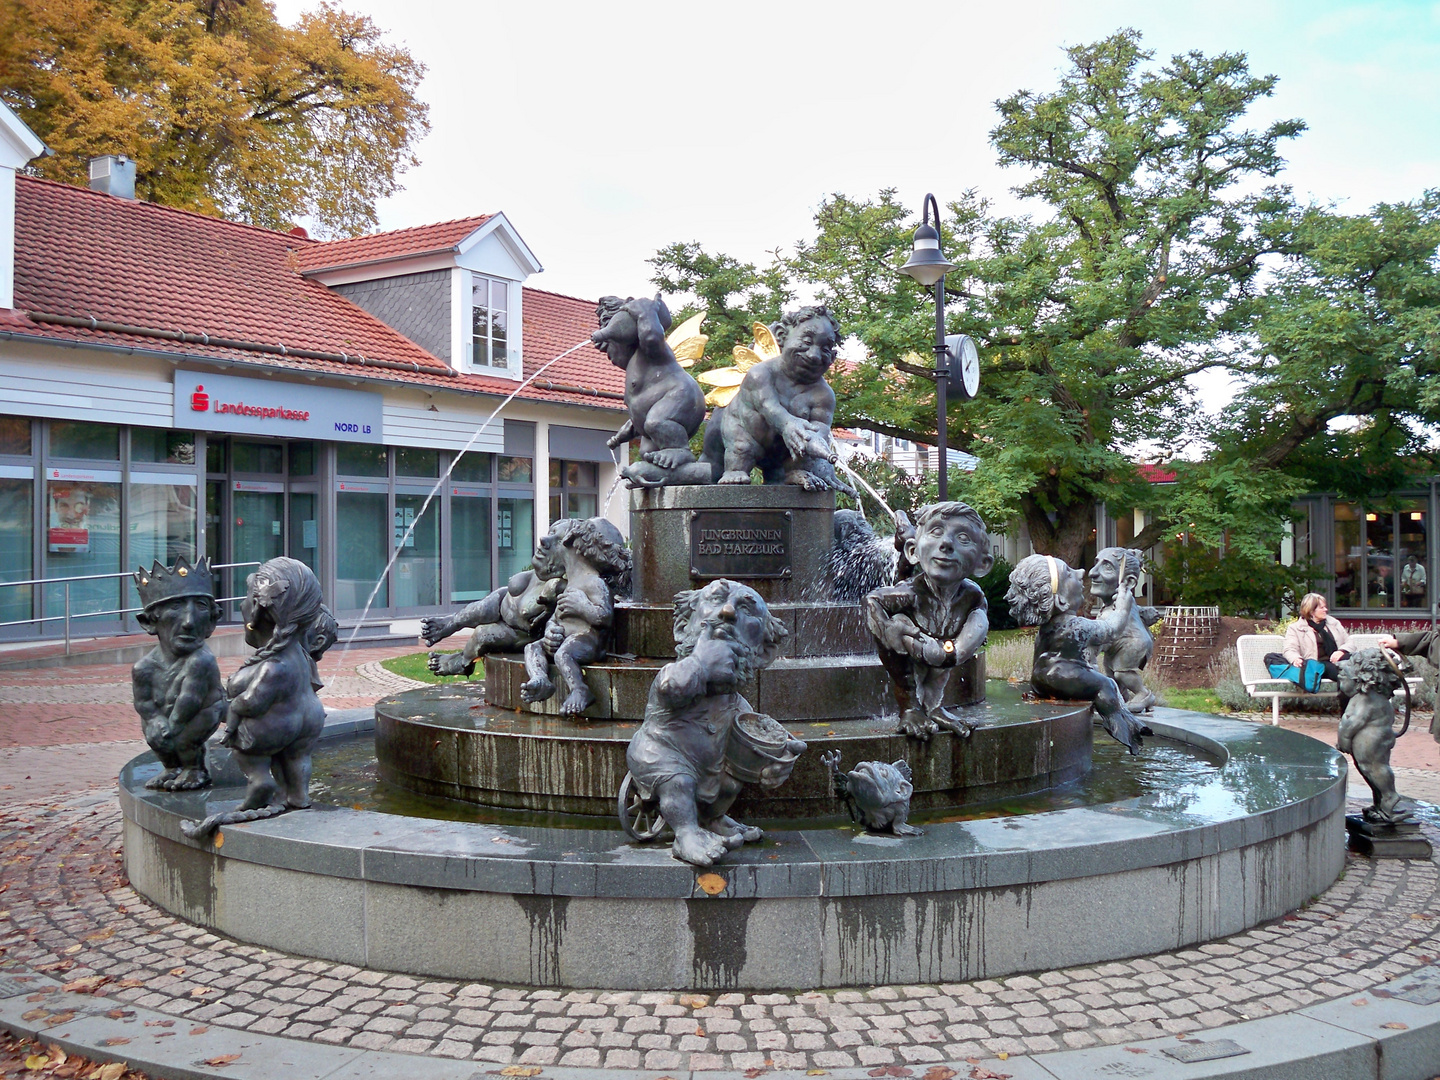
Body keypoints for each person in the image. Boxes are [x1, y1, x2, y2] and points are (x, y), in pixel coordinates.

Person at [1283, 593, 1352, 688]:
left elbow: (1350, 642)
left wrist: (1341, 651)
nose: (1326, 610)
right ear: (1311, 611)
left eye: (1325, 607)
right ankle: (1347, 702)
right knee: (1343, 673)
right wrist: (1296, 659)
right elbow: (1289, 649)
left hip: (1339, 660)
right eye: (1322, 608)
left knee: (1355, 666)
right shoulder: (1296, 628)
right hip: (1318, 664)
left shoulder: (1333, 623)